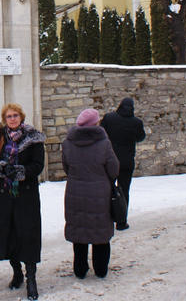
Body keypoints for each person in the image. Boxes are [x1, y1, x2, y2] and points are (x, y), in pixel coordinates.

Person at [0, 103, 46, 301]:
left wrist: (21, 171)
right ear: (4, 119)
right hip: (4, 196)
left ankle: (31, 279)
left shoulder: (33, 138)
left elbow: (38, 165)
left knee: (28, 236)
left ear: (21, 117)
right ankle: (17, 272)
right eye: (9, 116)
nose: (12, 119)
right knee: (9, 234)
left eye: (15, 115)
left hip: (25, 195)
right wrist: (1, 167)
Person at [63, 108, 120, 279]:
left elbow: (66, 167)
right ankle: (101, 269)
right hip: (99, 193)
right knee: (100, 231)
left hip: (75, 191)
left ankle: (80, 269)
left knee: (79, 230)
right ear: (95, 123)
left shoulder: (68, 142)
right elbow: (114, 169)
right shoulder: (104, 143)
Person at [100, 97, 145, 229]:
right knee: (124, 191)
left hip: (110, 160)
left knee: (107, 189)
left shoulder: (109, 118)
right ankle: (121, 221)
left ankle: (105, 218)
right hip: (126, 162)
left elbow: (101, 133)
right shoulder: (136, 122)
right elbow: (141, 137)